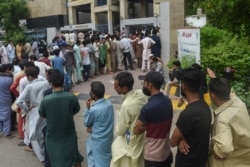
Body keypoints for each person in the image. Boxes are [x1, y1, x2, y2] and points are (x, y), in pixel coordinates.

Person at [39, 70, 83, 167]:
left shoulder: (46, 100)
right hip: (69, 134)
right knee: (74, 156)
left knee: (56, 160)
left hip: (53, 136)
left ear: (51, 84)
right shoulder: (72, 97)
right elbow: (76, 110)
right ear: (63, 82)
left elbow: (42, 114)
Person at [170, 67, 211, 167]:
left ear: (183, 86)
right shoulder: (205, 107)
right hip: (201, 162)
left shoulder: (188, 113)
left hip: (187, 163)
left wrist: (180, 139)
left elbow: (172, 142)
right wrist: (182, 138)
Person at [208, 77, 250, 167]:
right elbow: (231, 92)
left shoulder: (222, 119)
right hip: (245, 157)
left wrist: (217, 151)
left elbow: (224, 148)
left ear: (212, 96)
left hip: (233, 162)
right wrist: (215, 78)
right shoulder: (238, 102)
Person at [135, 71, 173, 167]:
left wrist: (145, 128)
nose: (143, 85)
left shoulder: (147, 108)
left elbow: (136, 130)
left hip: (153, 157)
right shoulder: (168, 101)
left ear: (149, 85)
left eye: (144, 82)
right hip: (166, 153)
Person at [110, 71, 148, 167]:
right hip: (142, 136)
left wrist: (118, 125)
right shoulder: (140, 94)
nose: (114, 88)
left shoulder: (126, 105)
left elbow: (120, 130)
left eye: (116, 87)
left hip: (131, 140)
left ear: (125, 88)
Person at [16, 66, 50, 162]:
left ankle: (42, 156)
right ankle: (45, 154)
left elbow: (19, 102)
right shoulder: (46, 83)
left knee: (33, 135)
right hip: (46, 110)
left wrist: (26, 109)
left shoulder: (29, 87)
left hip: (35, 111)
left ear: (30, 77)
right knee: (44, 133)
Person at [84, 81, 114, 167]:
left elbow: (86, 122)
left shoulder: (94, 110)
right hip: (107, 139)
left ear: (93, 95)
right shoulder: (109, 104)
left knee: (99, 162)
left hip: (98, 141)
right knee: (106, 159)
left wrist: (87, 108)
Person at [0, 64, 13, 138]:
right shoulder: (9, 79)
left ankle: (1, 128)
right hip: (6, 99)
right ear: (6, 70)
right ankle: (7, 132)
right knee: (7, 116)